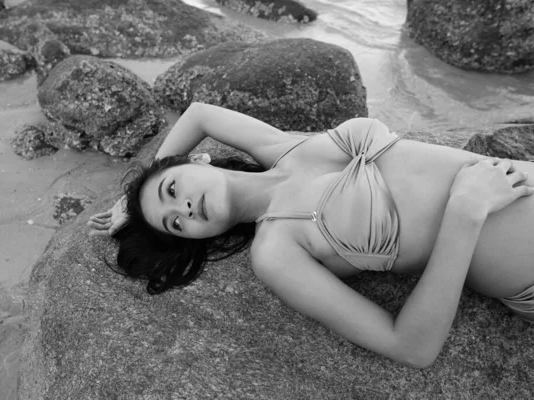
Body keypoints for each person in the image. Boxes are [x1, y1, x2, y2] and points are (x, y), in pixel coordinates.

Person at [87, 102, 534, 368]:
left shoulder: (283, 148)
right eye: (175, 223)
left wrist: (129, 199)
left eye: (171, 189)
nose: (181, 208)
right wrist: (464, 212)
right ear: (196, 237)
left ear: (198, 161)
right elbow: (411, 346)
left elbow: (199, 114)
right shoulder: (276, 252)